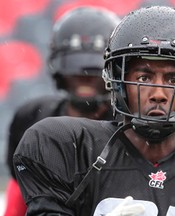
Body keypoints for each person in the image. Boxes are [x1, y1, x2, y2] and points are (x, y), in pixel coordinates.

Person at [13, 6, 175, 216]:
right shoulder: (65, 146)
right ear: (117, 81)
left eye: (172, 80)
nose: (158, 93)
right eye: (145, 77)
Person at [5, 6, 120, 216]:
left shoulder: (130, 127)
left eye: (93, 70)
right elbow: (20, 190)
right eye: (76, 68)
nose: (84, 76)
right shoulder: (30, 118)